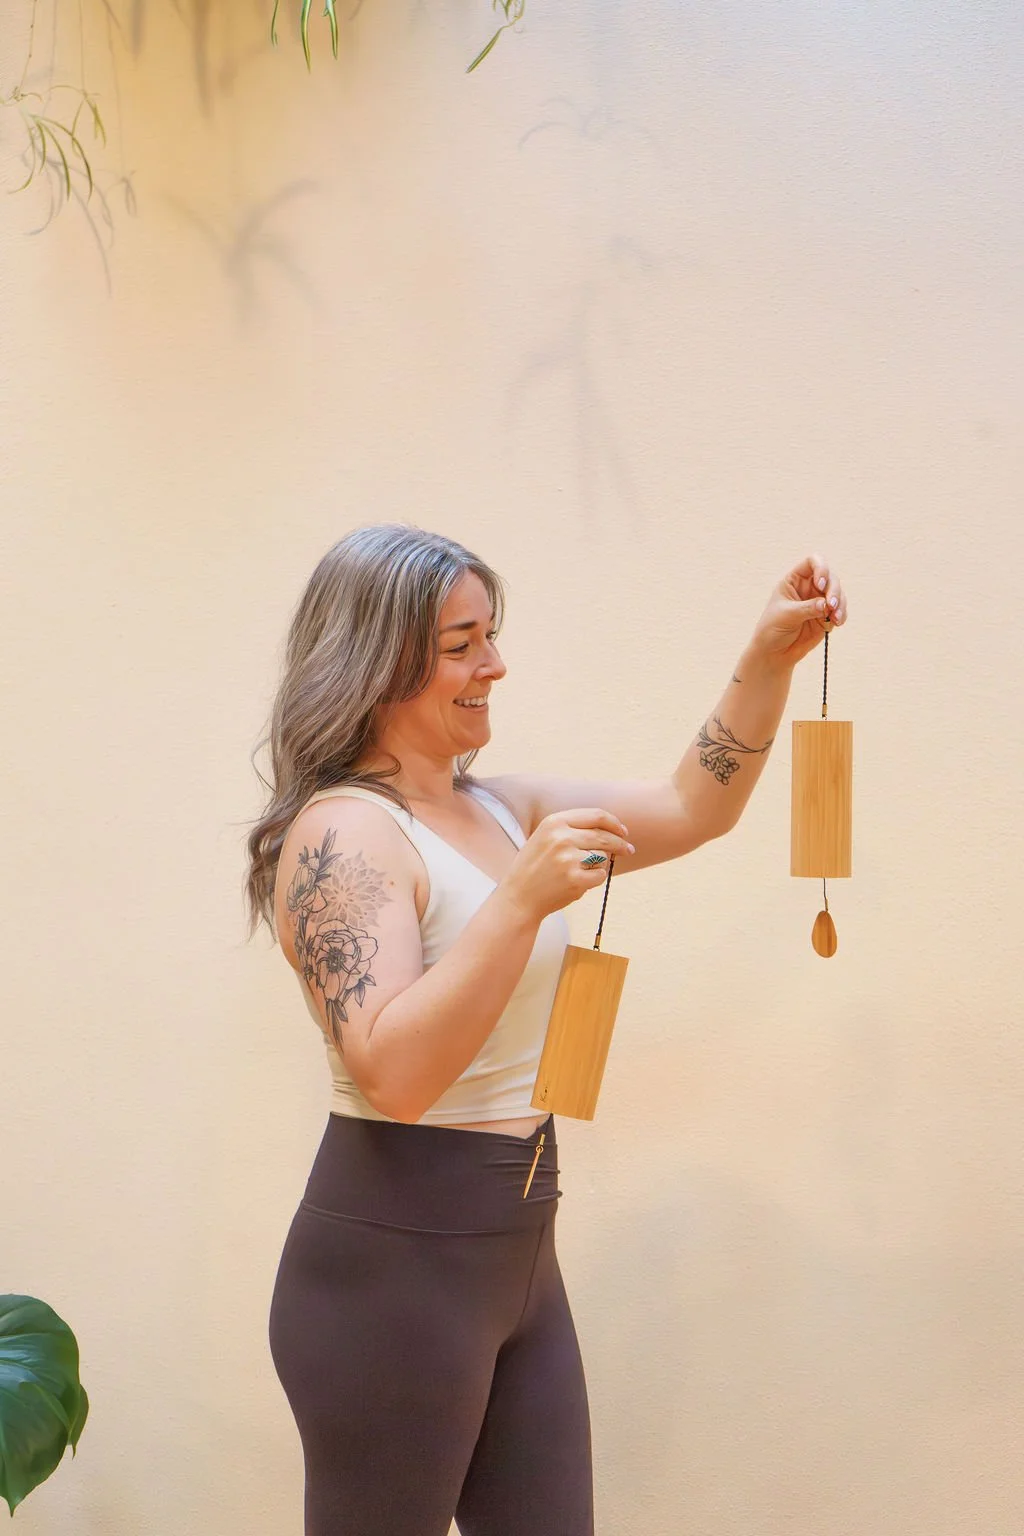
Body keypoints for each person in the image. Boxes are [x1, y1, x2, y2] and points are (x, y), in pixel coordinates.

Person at [244, 523, 847, 1536]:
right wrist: (516, 903)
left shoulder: (498, 806)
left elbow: (691, 807)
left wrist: (763, 661)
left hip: (518, 1250)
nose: (495, 664)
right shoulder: (342, 832)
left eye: (492, 634)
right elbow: (392, 1074)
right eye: (462, 643)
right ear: (377, 660)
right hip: (395, 1272)